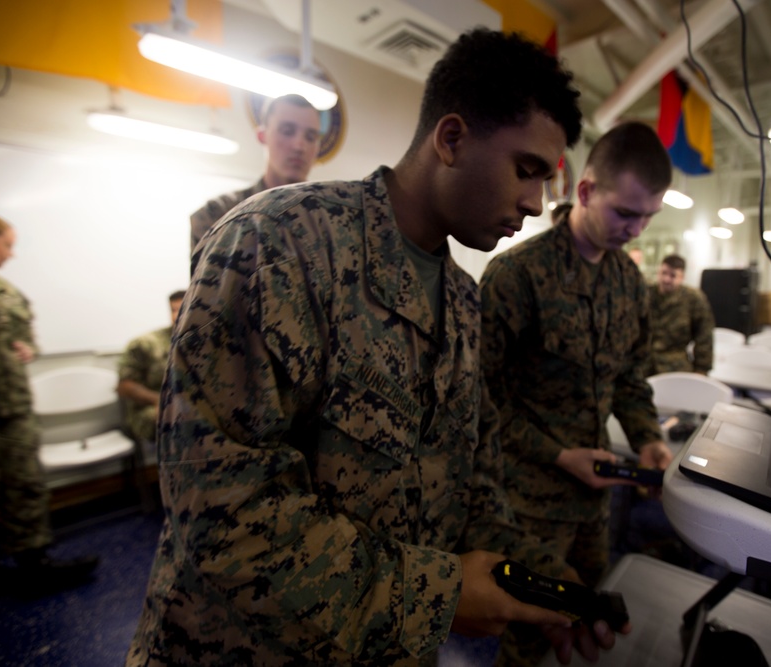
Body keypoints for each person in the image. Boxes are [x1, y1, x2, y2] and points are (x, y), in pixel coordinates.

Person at [128, 29, 626, 666]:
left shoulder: (462, 301)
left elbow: (470, 489)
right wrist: (438, 596)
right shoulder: (276, 243)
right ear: (451, 139)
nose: (535, 203)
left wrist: (539, 585)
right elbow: (222, 510)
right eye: (525, 170)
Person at [479, 121, 675, 667]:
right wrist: (557, 455)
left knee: (582, 627)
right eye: (625, 213)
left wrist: (649, 438)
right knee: (516, 640)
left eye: (648, 217)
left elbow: (631, 379)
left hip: (595, 502)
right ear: (585, 192)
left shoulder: (628, 284)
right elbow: (476, 404)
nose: (636, 231)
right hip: (523, 505)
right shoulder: (516, 276)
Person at [0, 210, 98, 592]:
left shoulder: (4, 290)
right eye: (7, 244)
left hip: (14, 406)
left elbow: (27, 334)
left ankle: (34, 560)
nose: (11, 254)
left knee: (27, 484)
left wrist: (28, 348)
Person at [189, 93, 321, 253]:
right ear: (262, 136)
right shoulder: (218, 216)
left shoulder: (325, 220)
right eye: (287, 131)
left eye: (310, 137)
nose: (300, 146)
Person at [116, 290, 185, 443]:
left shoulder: (205, 342)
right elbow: (125, 386)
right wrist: (159, 400)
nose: (176, 316)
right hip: (154, 407)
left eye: (183, 310)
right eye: (173, 310)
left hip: (191, 404)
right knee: (182, 416)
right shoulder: (146, 344)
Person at [647, 254, 715, 375]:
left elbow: (704, 337)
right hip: (644, 364)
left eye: (672, 275)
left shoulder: (693, 299)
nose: (666, 279)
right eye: (663, 273)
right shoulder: (647, 294)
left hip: (675, 366)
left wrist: (702, 370)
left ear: (682, 277)